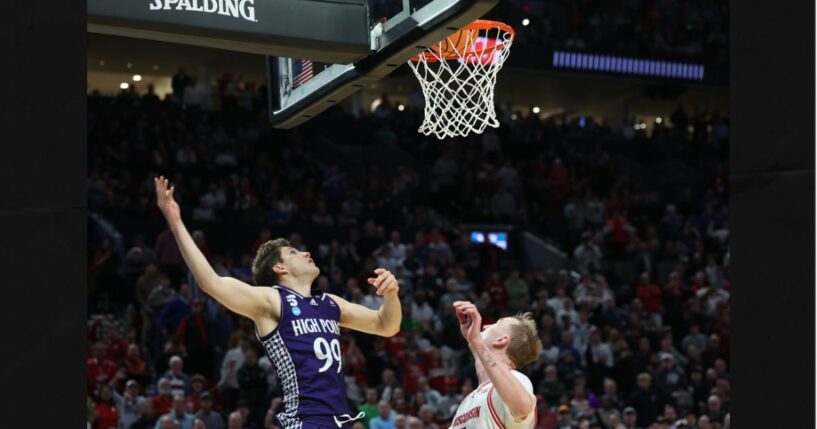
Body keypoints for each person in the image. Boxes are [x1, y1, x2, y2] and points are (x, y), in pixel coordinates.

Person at [154, 176, 402, 428]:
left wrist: (391, 296)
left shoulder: (330, 303)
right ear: (280, 267)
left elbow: (386, 325)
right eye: (294, 252)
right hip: (303, 421)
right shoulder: (272, 300)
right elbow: (210, 282)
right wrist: (175, 221)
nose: (306, 252)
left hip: (338, 421)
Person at [448, 301, 541, 428]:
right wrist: (474, 342)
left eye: (496, 324)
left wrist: (477, 343)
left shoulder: (516, 378)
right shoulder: (467, 400)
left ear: (501, 340)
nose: (485, 326)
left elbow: (523, 407)